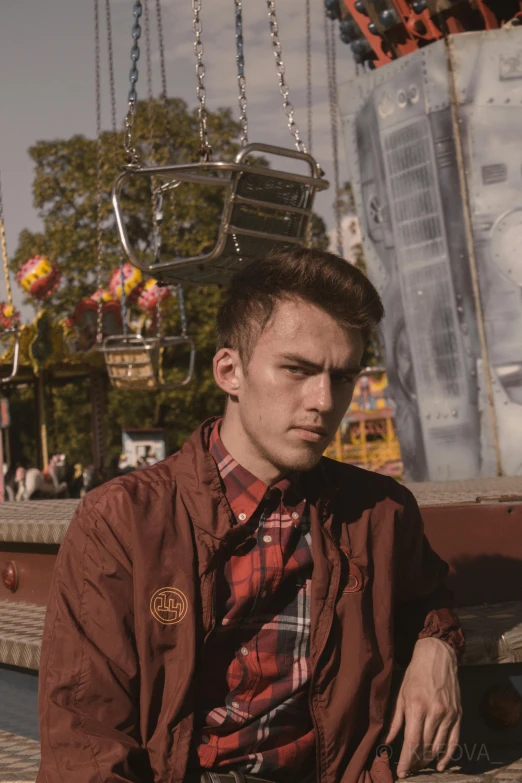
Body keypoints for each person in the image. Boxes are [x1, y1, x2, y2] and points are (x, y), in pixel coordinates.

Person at [37, 248, 464, 783]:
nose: (323, 400)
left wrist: (435, 647)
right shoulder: (123, 521)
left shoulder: (378, 512)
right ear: (229, 371)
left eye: (343, 376)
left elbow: (429, 597)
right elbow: (86, 740)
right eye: (297, 369)